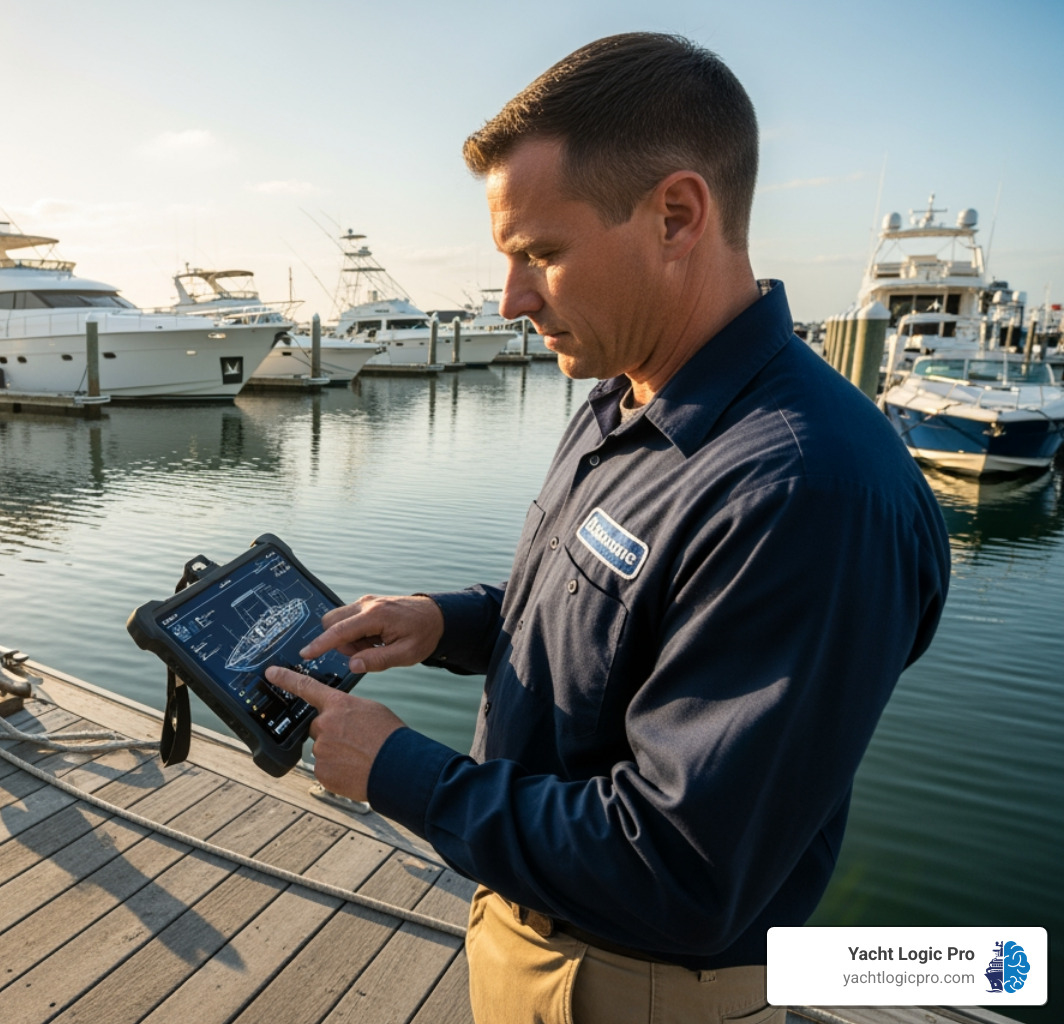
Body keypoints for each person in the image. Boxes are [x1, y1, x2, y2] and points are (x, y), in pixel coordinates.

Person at [265, 32, 950, 1024]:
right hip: (533, 929)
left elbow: (675, 865)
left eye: (541, 253)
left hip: (644, 988)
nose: (512, 300)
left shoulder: (806, 491)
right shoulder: (627, 388)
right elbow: (609, 616)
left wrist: (396, 768)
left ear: (676, 214)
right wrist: (447, 623)